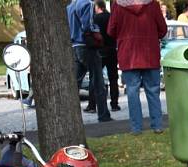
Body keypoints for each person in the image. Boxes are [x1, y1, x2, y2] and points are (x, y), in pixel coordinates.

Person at [108, 0, 167, 134]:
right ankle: (157, 125)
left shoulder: (118, 5)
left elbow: (111, 30)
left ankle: (136, 128)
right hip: (149, 52)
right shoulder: (152, 4)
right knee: (153, 90)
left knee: (132, 91)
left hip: (128, 54)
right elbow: (163, 29)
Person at [68, 0, 112, 122]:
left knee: (74, 84)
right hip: (87, 46)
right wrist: (97, 30)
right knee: (98, 81)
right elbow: (88, 25)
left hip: (75, 46)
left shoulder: (70, 6)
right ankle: (103, 115)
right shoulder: (87, 4)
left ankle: (71, 118)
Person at [90, 0, 120, 113]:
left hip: (99, 50)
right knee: (113, 78)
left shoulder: (95, 19)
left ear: (98, 7)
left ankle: (92, 105)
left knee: (96, 77)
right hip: (112, 49)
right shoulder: (111, 17)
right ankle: (114, 104)